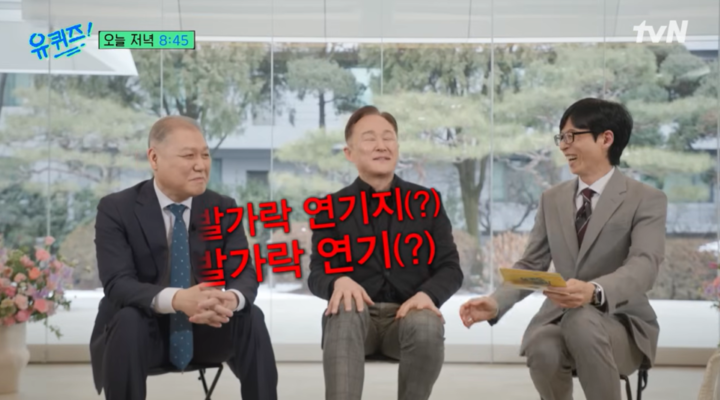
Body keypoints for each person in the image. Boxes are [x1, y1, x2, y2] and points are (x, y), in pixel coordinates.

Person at [459, 98, 667, 400]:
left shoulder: (646, 199)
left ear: (606, 139)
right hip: (561, 318)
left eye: (572, 136)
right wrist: (496, 302)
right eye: (561, 137)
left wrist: (594, 291)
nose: (563, 146)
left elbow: (644, 266)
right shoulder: (552, 199)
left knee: (581, 320)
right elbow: (532, 265)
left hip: (622, 323)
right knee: (541, 343)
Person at [90, 116, 278, 400]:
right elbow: (117, 283)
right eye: (189, 156)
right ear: (154, 158)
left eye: (205, 155)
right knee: (128, 319)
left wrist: (232, 299)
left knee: (250, 315)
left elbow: (243, 273)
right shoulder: (116, 208)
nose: (201, 165)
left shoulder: (222, 207)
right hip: (141, 336)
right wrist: (178, 299)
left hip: (206, 331)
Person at [308, 106, 464, 400]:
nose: (381, 145)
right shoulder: (330, 208)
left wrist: (428, 295)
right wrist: (338, 281)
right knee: (343, 311)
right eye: (369, 138)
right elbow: (317, 274)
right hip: (355, 320)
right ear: (349, 153)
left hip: (406, 318)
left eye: (388, 138)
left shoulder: (426, 201)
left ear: (397, 147)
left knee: (426, 321)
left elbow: (450, 268)